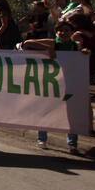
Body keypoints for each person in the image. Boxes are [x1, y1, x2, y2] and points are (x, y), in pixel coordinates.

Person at [22, 21, 84, 153]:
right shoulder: (52, 42)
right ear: (57, 32)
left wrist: (84, 53)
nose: (64, 33)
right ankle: (42, 139)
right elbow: (27, 44)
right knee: (46, 110)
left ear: (71, 32)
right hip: (51, 83)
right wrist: (47, 48)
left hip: (68, 83)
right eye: (61, 30)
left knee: (70, 113)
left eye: (67, 30)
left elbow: (80, 59)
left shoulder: (75, 46)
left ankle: (72, 144)